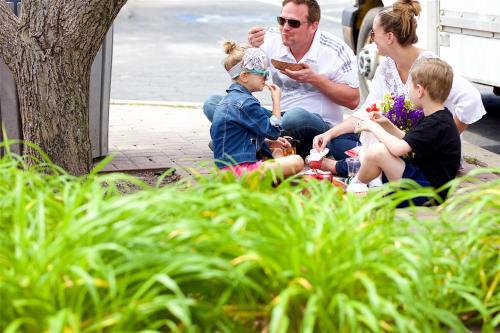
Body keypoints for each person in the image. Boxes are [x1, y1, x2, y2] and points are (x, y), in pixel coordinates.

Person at [312, 0, 486, 177]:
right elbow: (367, 111)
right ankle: (366, 166)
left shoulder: (429, 66)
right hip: (399, 142)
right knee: (337, 141)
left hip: (418, 152)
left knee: (369, 150)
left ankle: (348, 169)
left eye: (373, 33)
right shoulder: (386, 66)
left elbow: (471, 99)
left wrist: (441, 142)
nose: (371, 39)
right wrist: (329, 133)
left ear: (389, 37)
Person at [204, 0, 360, 157]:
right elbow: (240, 73)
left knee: (294, 117)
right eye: (281, 20)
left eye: (293, 23)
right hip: (277, 118)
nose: (285, 28)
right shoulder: (270, 39)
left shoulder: (335, 50)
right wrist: (250, 50)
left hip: (316, 124)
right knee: (214, 103)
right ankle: (268, 143)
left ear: (313, 26)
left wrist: (314, 79)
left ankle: (251, 142)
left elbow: (353, 101)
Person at [351, 58, 461, 205]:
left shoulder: (436, 123)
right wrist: (387, 125)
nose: (409, 92)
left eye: (411, 87)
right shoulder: (438, 116)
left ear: (420, 91)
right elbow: (409, 139)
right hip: (424, 182)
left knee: (378, 151)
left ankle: (355, 186)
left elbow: (398, 149)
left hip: (426, 191)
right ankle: (360, 185)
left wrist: (372, 127)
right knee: (371, 153)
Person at [210, 41, 304, 178]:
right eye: (262, 73)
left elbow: (236, 136)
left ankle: (272, 181)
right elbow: (273, 131)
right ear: (244, 76)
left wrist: (266, 141)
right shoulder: (246, 103)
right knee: (297, 161)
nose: (266, 78)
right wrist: (276, 100)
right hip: (241, 172)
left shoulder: (226, 101)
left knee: (276, 151)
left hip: (226, 172)